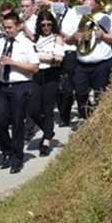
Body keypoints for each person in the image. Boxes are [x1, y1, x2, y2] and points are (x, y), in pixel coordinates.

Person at [0, 12, 39, 173]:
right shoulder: (0, 43)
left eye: (10, 27)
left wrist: (13, 63)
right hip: (3, 85)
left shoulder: (26, 43)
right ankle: (6, 151)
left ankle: (17, 158)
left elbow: (34, 67)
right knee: (0, 121)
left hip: (20, 86)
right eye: (5, 28)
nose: (7, 31)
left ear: (18, 26)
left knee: (18, 123)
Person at [68, 0, 112, 118]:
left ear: (96, 6)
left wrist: (103, 36)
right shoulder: (77, 21)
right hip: (82, 64)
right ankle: (87, 116)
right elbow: (67, 40)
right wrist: (74, 37)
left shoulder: (104, 19)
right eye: (85, 6)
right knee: (80, 94)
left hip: (101, 65)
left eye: (90, 6)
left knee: (100, 95)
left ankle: (99, 120)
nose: (88, 9)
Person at [28, 12, 65, 156]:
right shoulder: (35, 38)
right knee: (33, 109)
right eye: (43, 25)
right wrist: (46, 57)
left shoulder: (57, 38)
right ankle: (48, 131)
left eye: (49, 24)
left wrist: (37, 56)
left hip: (51, 75)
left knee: (48, 108)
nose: (46, 27)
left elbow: (58, 59)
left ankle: (46, 140)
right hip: (37, 74)